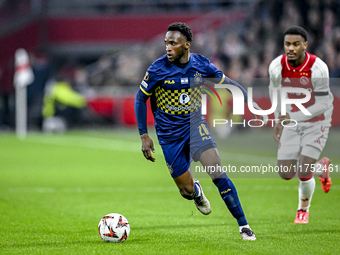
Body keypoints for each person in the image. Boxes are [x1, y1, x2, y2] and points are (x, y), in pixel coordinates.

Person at [134, 22, 266, 240]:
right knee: (185, 192)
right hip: (169, 136)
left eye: (173, 43)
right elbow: (141, 99)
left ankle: (244, 226)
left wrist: (253, 106)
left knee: (217, 172)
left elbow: (229, 84)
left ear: (186, 45)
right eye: (166, 43)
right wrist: (143, 135)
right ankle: (195, 190)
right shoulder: (157, 69)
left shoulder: (201, 64)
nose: (168, 47)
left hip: (195, 126)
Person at [268, 26, 333, 224]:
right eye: (288, 44)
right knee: (286, 173)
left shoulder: (318, 67)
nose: (291, 48)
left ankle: (302, 210)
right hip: (292, 121)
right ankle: (322, 169)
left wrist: (294, 116)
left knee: (304, 170)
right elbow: (274, 90)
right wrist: (280, 117)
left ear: (305, 45)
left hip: (316, 121)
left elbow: (323, 104)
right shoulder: (276, 66)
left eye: (296, 44)